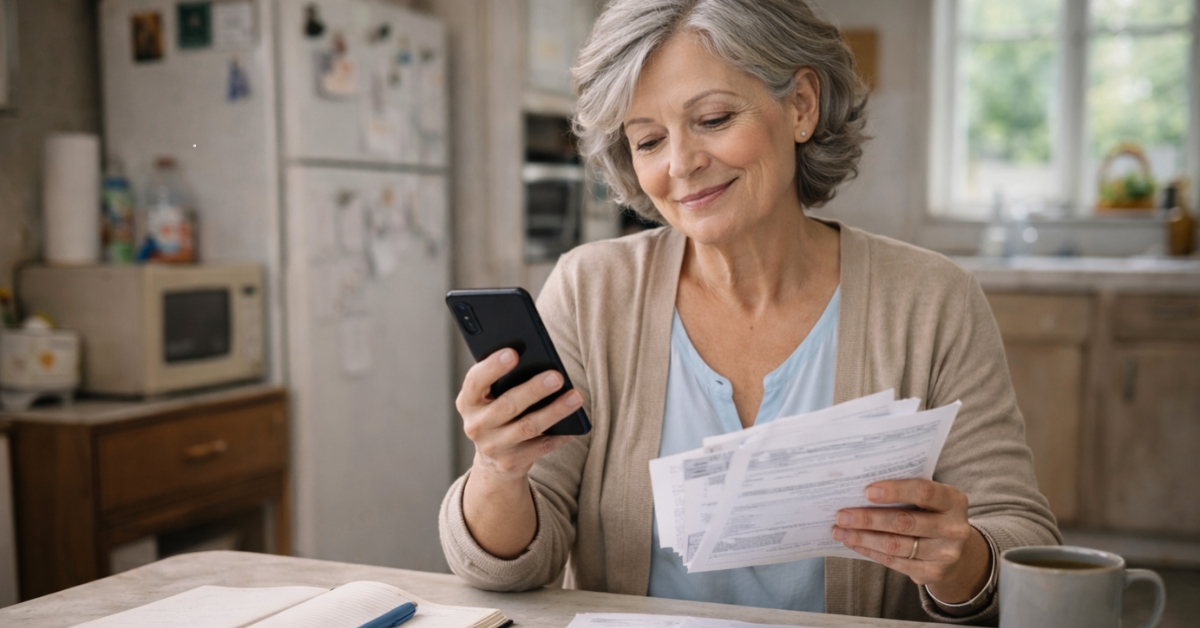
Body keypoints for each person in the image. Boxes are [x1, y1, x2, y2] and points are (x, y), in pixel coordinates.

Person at [439, 0, 1060, 623]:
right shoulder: (591, 290)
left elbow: (1024, 543)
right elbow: (506, 566)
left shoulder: (932, 299)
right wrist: (499, 469)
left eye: (712, 118)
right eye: (649, 140)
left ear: (801, 106)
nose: (681, 164)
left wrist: (961, 560)